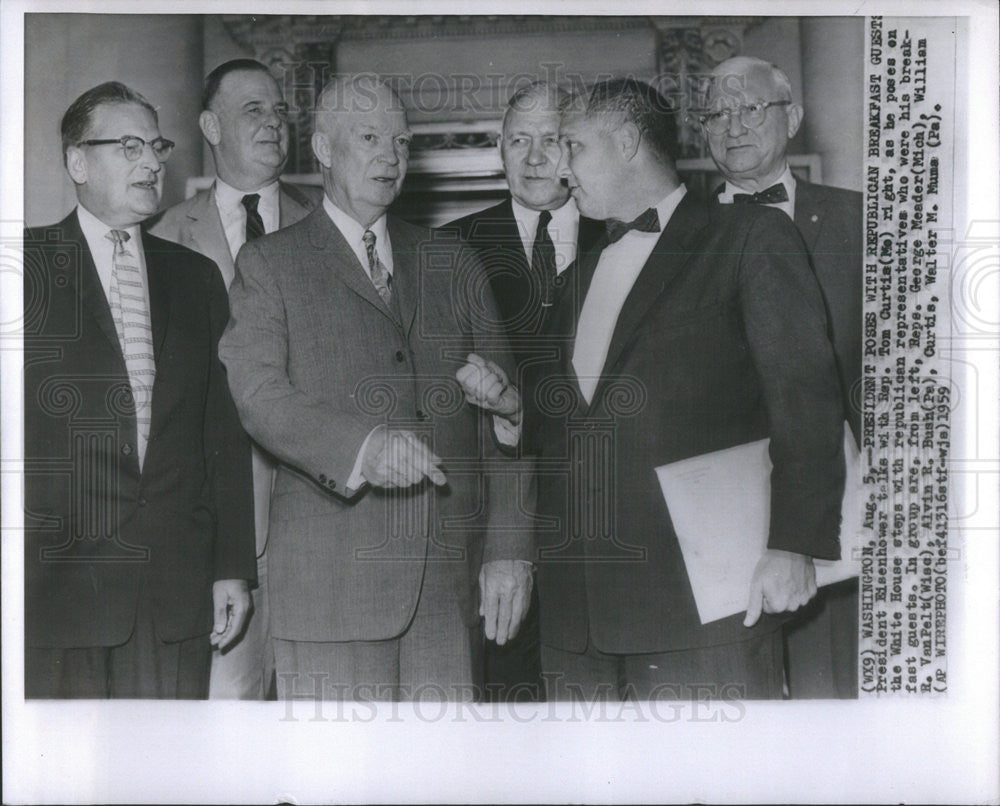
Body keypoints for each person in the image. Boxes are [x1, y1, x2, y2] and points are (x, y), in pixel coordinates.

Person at [469, 78, 846, 700]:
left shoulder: (748, 238)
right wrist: (515, 408)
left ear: (625, 142)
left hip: (704, 606)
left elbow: (805, 400)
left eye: (572, 146)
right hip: (578, 620)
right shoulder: (580, 274)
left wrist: (795, 545)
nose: (560, 169)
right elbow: (574, 417)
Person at [218, 74, 532, 702]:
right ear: (325, 150)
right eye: (370, 138)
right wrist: (362, 449)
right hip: (330, 590)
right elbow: (257, 395)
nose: (391, 158)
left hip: (448, 587)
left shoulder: (454, 260)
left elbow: (511, 415)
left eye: (402, 142)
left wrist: (510, 549)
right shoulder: (270, 264)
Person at [23, 81, 255, 698]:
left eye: (156, 146)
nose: (152, 162)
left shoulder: (196, 277)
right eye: (129, 146)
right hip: (51, 592)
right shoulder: (23, 269)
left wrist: (232, 567)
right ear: (78, 161)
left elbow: (220, 434)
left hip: (173, 591)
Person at [150, 58, 320, 700]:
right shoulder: (163, 236)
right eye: (254, 109)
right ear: (209, 125)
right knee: (228, 714)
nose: (274, 122)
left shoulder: (328, 229)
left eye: (279, 110)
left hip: (317, 524)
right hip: (216, 535)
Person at [702, 55, 862, 698]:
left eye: (751, 108)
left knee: (836, 694)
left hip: (848, 503)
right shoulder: (682, 233)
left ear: (791, 118)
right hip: (722, 508)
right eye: (718, 113)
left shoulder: (862, 222)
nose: (733, 125)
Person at [445, 81, 603, 702]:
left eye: (551, 141)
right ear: (500, 152)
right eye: (519, 141)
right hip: (489, 528)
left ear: (575, 150)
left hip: (601, 522)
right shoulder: (450, 247)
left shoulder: (622, 238)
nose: (534, 158)